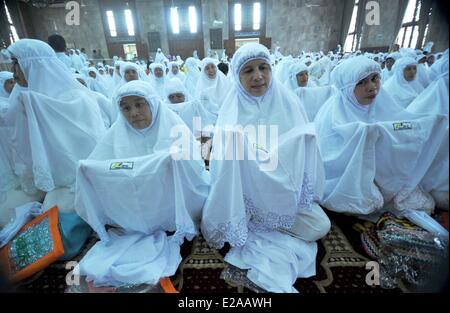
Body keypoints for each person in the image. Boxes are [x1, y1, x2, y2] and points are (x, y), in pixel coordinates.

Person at [201, 43, 330, 293]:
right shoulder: (232, 109)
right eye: (248, 70)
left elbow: (303, 155)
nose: (258, 76)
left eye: (263, 68)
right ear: (237, 77)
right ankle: (258, 222)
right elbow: (223, 171)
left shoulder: (288, 102)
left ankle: (271, 223)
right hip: (247, 198)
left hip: (284, 193)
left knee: (320, 226)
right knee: (229, 225)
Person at [74, 80, 209, 287]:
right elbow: (101, 163)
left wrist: (174, 161)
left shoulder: (175, 128)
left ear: (152, 103)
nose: (133, 113)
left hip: (169, 201)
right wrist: (89, 170)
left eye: (139, 104)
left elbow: (195, 171)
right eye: (125, 108)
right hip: (134, 203)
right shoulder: (116, 133)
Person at [314, 56, 448, 224]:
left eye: (375, 78)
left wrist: (430, 124)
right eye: (362, 82)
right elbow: (331, 156)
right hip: (345, 177)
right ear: (347, 87)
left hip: (378, 174)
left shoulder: (381, 102)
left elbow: (400, 125)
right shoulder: (333, 114)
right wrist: (365, 133)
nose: (371, 87)